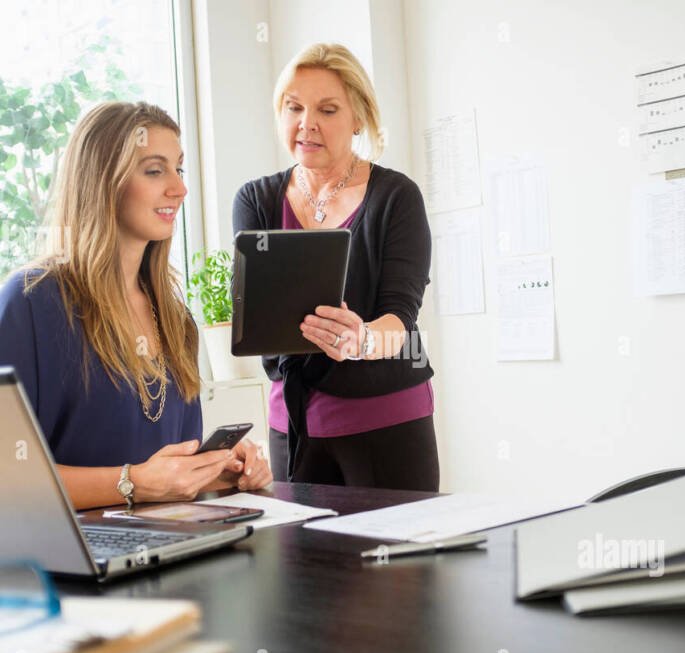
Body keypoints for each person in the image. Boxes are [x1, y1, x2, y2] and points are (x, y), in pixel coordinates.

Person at [0, 101, 272, 511]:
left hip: (166, 544)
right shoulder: (31, 301)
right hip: (73, 560)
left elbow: (164, 470)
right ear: (103, 181)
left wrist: (216, 471)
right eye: (154, 170)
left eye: (178, 169)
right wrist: (132, 483)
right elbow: (9, 476)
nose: (178, 189)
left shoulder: (175, 317)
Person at [233, 43, 439, 492]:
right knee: (301, 561)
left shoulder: (396, 198)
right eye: (294, 108)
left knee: (398, 559)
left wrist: (361, 339)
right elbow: (257, 320)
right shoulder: (255, 201)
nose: (307, 123)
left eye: (327, 109)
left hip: (386, 419)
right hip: (293, 424)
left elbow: (400, 319)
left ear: (359, 117)